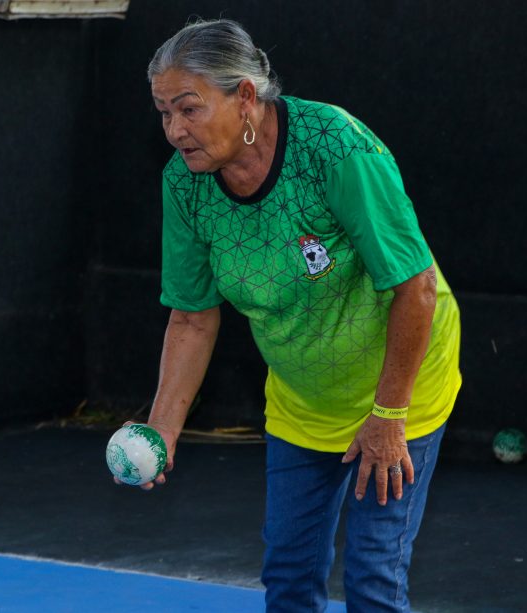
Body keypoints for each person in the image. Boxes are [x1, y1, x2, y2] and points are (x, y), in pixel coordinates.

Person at [138, 18, 461, 613]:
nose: (174, 130)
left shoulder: (336, 148)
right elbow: (191, 318)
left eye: (188, 108)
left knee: (372, 580)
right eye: (163, 113)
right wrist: (163, 426)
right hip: (303, 398)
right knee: (288, 574)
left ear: (244, 98)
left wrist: (389, 415)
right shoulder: (185, 187)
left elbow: (415, 287)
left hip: (398, 390)